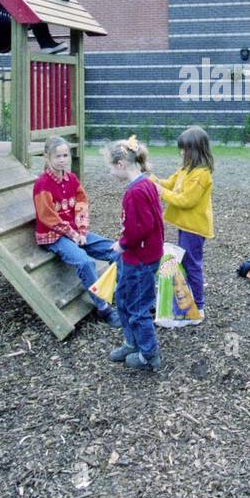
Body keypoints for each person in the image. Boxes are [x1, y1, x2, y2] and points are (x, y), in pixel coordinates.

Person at [34, 136, 121, 326]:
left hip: (75, 232)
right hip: (54, 236)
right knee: (85, 262)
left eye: (65, 155)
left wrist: (81, 231)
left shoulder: (72, 179)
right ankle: (103, 309)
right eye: (57, 156)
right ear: (46, 157)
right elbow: (47, 217)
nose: (63, 160)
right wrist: (73, 235)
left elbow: (81, 205)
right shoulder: (42, 185)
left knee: (117, 251)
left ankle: (119, 294)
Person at [105, 136, 164, 371]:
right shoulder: (146, 184)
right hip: (140, 257)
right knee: (122, 298)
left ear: (121, 165)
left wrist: (122, 243)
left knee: (138, 306)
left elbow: (141, 227)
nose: (109, 171)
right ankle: (132, 342)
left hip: (139, 259)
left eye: (110, 166)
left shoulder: (135, 192)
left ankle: (149, 355)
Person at [152, 126, 214, 323]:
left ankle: (199, 308)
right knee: (186, 263)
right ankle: (187, 302)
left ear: (195, 150)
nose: (181, 153)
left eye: (184, 149)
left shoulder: (201, 175)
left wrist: (160, 191)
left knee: (192, 265)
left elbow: (186, 200)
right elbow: (168, 183)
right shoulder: (185, 169)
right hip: (185, 226)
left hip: (194, 228)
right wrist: (150, 178)